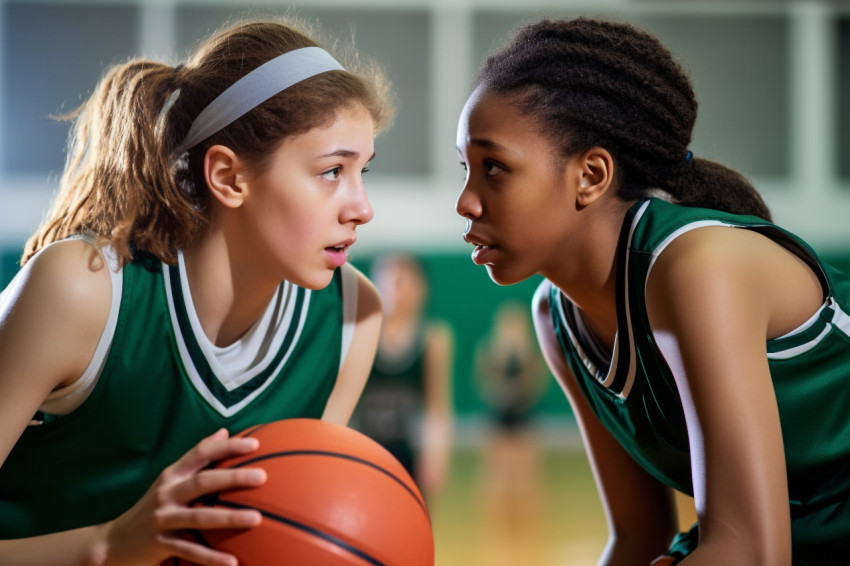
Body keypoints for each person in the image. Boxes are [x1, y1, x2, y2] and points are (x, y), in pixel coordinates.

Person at [455, 16, 850, 566]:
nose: (465, 202)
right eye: (465, 168)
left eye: (492, 168)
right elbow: (639, 538)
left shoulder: (697, 266)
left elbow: (753, 553)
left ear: (590, 175)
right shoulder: (555, 316)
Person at [0, 17, 393, 566]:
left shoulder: (353, 316)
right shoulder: (83, 289)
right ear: (229, 177)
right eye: (332, 172)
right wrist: (109, 547)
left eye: (363, 172)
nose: (362, 208)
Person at [351, 253, 454, 499]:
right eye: (388, 281)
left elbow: (436, 407)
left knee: (412, 530)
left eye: (403, 281)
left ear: (421, 289)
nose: (395, 289)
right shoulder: (360, 334)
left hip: (409, 452)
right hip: (365, 450)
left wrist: (436, 455)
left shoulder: (433, 339)